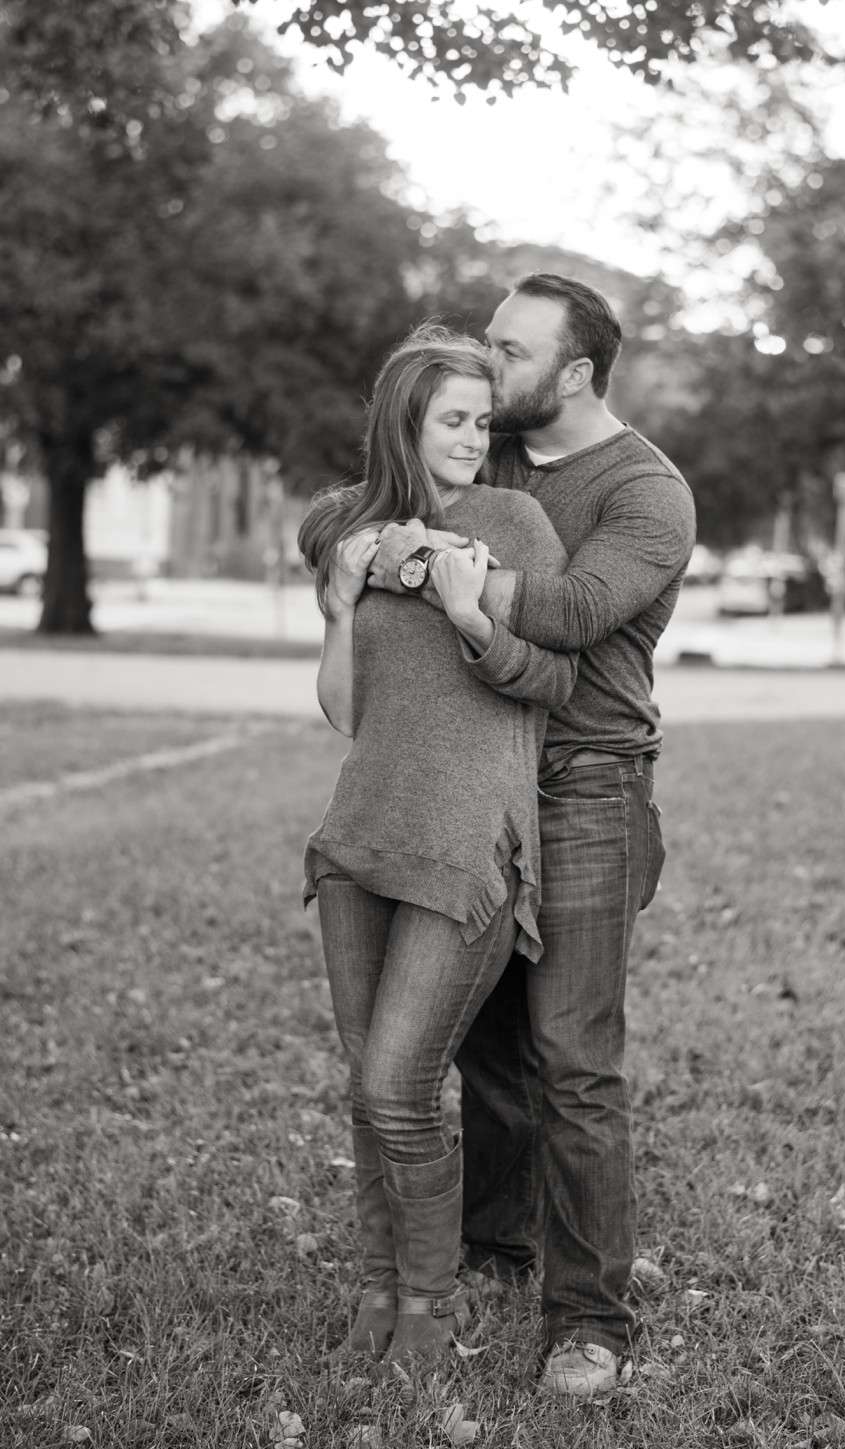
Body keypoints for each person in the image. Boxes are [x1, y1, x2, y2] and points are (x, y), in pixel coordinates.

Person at [367, 274, 697, 1397]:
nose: (483, 363)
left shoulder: (647, 491)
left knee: (571, 1060)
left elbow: (567, 611)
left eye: (507, 351)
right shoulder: (489, 450)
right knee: (483, 1047)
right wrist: (380, 548)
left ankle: (588, 1317)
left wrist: (445, 572)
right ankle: (494, 1242)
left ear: (573, 373)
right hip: (477, 776)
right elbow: (364, 504)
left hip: (587, 788)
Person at [296, 325, 577, 1372]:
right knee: (365, 1083)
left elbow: (555, 684)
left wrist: (468, 615)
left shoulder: (515, 521)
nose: (471, 437)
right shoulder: (354, 535)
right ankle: (377, 1289)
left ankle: (427, 1302)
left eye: (479, 419)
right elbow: (345, 712)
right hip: (362, 837)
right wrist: (336, 615)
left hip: (468, 850)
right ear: (403, 424)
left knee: (396, 1087)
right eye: (451, 420)